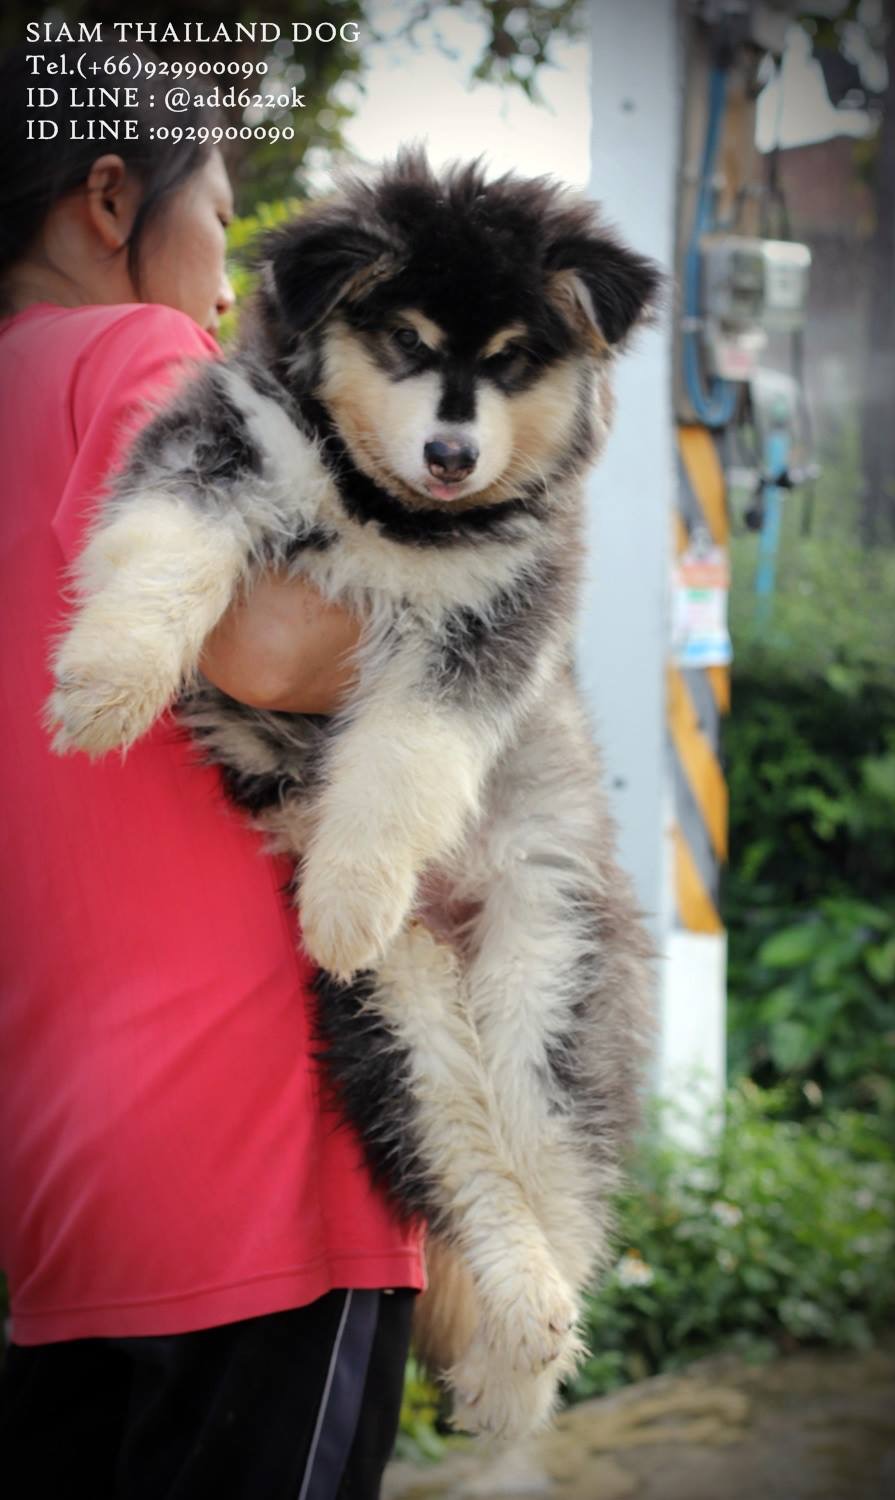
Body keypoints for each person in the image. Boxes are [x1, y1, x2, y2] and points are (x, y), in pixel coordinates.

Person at [0, 39, 424, 1500]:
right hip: (255, 1161)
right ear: (113, 199)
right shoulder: (133, 351)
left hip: (62, 1180)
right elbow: (270, 649)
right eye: (221, 224)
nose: (231, 290)